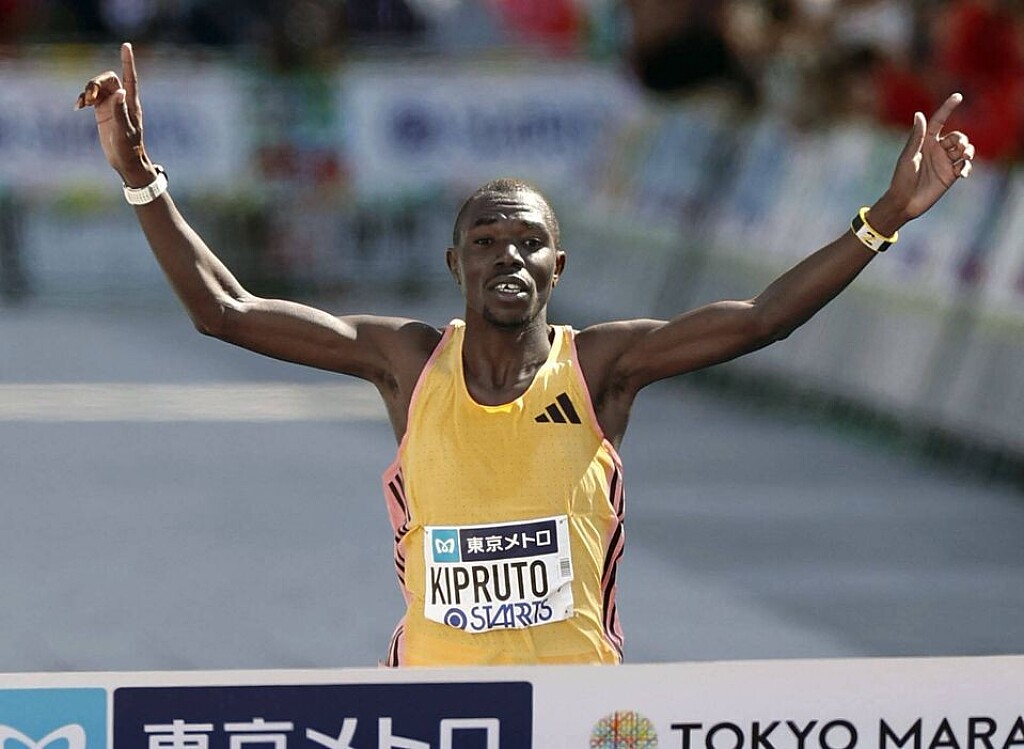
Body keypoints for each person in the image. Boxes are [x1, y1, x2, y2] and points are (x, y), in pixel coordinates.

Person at [77, 43, 974, 667]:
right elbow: (225, 311)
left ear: (558, 266)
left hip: (576, 711)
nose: (507, 255)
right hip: (433, 705)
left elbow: (761, 319)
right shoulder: (407, 361)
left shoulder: (602, 366)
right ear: (453, 264)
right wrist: (139, 178)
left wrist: (884, 218)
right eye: (485, 241)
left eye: (528, 242)